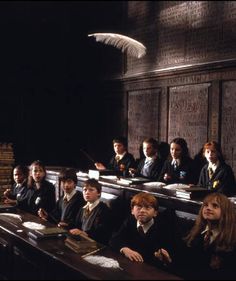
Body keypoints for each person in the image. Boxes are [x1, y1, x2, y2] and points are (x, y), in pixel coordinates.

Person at [179, 193, 236, 279]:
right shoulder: (196, 231)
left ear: (225, 212)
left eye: (215, 206)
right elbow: (187, 262)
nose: (208, 208)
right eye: (206, 205)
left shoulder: (232, 238)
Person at [109, 192, 175, 266]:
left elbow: (170, 257)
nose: (142, 210)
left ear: (155, 213)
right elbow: (114, 239)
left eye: (147, 207)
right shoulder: (130, 221)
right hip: (130, 264)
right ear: (132, 211)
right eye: (139, 207)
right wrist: (125, 249)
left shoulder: (164, 228)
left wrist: (164, 258)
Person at [69, 178, 113, 245]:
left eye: (91, 190)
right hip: (83, 243)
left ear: (99, 193)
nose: (87, 192)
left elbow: (102, 232)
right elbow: (77, 225)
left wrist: (84, 233)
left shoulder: (104, 209)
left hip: (97, 245)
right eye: (85, 190)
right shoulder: (82, 208)